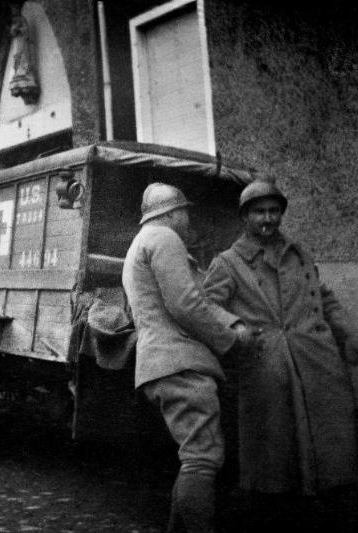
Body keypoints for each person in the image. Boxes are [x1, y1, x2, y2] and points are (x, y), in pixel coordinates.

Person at [204, 180, 358, 532]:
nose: (268, 219)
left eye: (274, 211)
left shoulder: (298, 254)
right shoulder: (228, 263)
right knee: (275, 456)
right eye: (259, 212)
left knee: (330, 446)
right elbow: (208, 304)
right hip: (268, 365)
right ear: (245, 216)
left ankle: (326, 505)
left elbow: (323, 295)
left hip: (315, 360)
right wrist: (236, 325)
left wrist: (346, 333)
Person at [122, 183, 260, 533]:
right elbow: (187, 304)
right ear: (170, 212)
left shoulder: (139, 244)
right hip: (181, 364)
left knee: (193, 459)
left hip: (160, 364)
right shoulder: (165, 239)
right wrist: (230, 338)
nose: (188, 217)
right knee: (202, 458)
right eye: (184, 210)